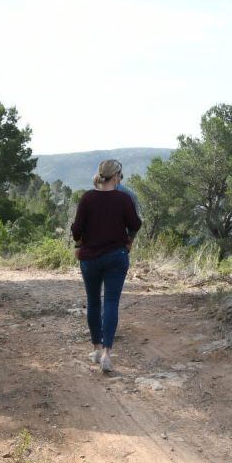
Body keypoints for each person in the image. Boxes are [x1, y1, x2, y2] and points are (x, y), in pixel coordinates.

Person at [71, 159, 141, 373]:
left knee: (93, 302)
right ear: (117, 175)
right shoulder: (124, 198)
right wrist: (127, 240)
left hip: (90, 258)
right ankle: (107, 355)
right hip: (116, 256)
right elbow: (135, 224)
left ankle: (96, 348)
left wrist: (79, 243)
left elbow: (76, 230)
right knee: (111, 302)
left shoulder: (87, 198)